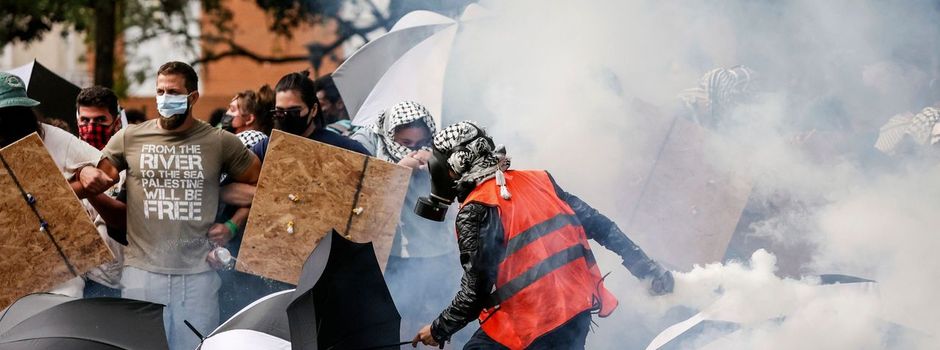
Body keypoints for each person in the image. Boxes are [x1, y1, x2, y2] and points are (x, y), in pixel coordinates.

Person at [411, 121, 674, 350]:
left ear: (456, 165)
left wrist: (438, 329)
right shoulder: (539, 179)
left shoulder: (476, 209)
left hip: (532, 323)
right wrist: (646, 268)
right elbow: (600, 225)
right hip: (576, 312)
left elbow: (475, 292)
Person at [76, 61, 262, 350]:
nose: (165, 98)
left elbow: (261, 188)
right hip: (141, 274)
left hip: (198, 276)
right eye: (160, 91)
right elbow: (100, 179)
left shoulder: (219, 142)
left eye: (173, 92)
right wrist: (85, 171)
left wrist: (231, 224)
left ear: (193, 97)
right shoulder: (130, 137)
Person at [0, 72, 118, 298]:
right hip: (10, 274)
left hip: (59, 274)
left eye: (17, 112)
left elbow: (109, 172)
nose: (11, 120)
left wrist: (65, 188)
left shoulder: (50, 136)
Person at [350, 101, 460, 338]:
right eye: (406, 144)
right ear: (390, 137)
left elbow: (457, 198)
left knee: (430, 324)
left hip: (433, 252)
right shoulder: (368, 146)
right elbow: (359, 196)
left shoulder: (441, 151)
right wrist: (398, 171)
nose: (413, 150)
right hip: (389, 253)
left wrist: (436, 165)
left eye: (420, 143)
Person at [75, 85, 129, 298]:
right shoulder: (67, 161)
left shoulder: (128, 164)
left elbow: (121, 219)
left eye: (99, 120)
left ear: (116, 122)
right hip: (77, 276)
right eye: (85, 120)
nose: (91, 127)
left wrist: (89, 185)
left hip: (117, 279)